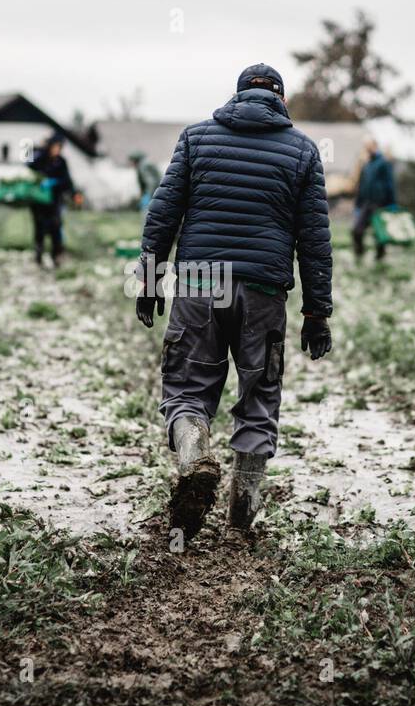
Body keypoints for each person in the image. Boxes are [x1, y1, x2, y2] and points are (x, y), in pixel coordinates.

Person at [135, 63, 333, 537]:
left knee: (187, 389)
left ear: (237, 96)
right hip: (263, 291)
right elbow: (315, 240)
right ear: (281, 101)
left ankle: (194, 456)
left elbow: (162, 213)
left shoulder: (197, 137)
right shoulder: (303, 151)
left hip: (202, 282)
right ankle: (241, 519)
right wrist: (316, 313)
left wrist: (148, 280)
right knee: (259, 398)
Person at [27, 132, 77, 266]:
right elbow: (27, 165)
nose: (57, 150)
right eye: (54, 146)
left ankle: (56, 256)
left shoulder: (61, 161)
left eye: (59, 147)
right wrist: (38, 147)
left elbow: (67, 181)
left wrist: (73, 193)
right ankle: (38, 256)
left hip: (54, 201)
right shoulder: (39, 158)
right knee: (39, 228)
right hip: (38, 201)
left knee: (55, 227)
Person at [351, 139, 397, 262]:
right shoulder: (367, 164)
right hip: (366, 203)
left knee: (379, 233)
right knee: (356, 230)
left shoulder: (383, 163)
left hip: (380, 203)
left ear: (375, 146)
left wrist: (392, 202)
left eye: (369, 146)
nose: (367, 148)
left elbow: (389, 183)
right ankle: (359, 254)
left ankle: (380, 258)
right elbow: (362, 185)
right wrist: (358, 204)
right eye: (365, 146)